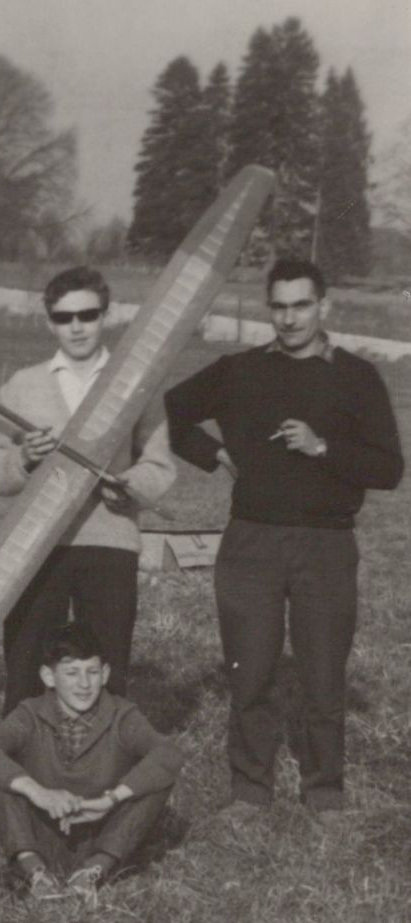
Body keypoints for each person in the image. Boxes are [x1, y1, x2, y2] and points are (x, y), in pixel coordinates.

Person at [165, 257, 402, 816]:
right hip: (251, 542)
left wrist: (323, 448)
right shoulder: (239, 371)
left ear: (324, 306)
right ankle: (249, 793)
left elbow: (389, 468)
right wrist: (215, 453)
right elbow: (170, 411)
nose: (289, 318)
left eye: (300, 305)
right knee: (251, 673)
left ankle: (326, 794)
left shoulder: (357, 377)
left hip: (326, 545)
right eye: (279, 306)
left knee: (323, 677)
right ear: (269, 308)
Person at [0, 266, 176, 714]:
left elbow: (160, 465)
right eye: (64, 317)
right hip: (34, 545)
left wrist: (132, 488)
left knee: (105, 668)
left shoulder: (135, 385)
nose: (76, 327)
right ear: (50, 322)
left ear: (106, 316)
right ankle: (23, 766)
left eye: (87, 315)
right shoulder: (23, 385)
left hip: (110, 542)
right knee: (27, 663)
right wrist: (24, 458)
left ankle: (99, 768)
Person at [0, 623, 182, 898]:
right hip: (40, 835)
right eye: (71, 673)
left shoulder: (122, 716)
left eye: (92, 672)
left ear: (105, 674)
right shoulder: (30, 714)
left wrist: (108, 801)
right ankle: (34, 873)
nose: (84, 684)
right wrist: (38, 792)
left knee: (156, 777)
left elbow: (169, 754)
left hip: (101, 838)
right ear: (48, 676)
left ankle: (92, 872)